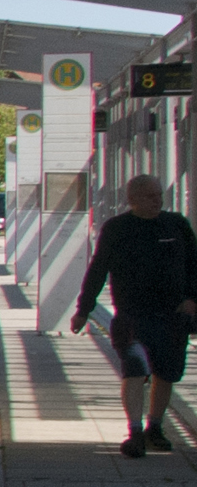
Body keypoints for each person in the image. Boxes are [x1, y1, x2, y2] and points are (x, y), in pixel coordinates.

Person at [71, 175, 197, 458]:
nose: (158, 200)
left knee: (166, 373)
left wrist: (192, 299)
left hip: (172, 316)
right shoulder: (118, 229)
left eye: (159, 195)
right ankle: (135, 430)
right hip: (132, 316)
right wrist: (83, 310)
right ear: (134, 199)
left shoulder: (177, 225)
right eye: (151, 196)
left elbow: (194, 266)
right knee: (136, 368)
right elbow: (98, 270)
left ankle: (155, 426)